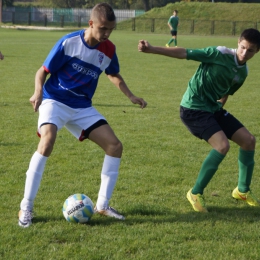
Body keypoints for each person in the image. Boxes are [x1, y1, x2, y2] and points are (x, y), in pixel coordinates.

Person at [18, 2, 147, 228]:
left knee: (115, 146)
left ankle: (103, 206)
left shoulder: (108, 49)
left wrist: (131, 96)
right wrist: (37, 92)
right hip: (55, 100)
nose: (107, 33)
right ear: (91, 24)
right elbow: (42, 71)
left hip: (82, 107)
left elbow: (113, 73)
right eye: (103, 28)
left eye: (111, 29)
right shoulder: (69, 43)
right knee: (47, 141)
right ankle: (26, 206)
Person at [138, 28, 260, 213]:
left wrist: (219, 106)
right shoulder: (219, 53)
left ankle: (242, 191)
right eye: (242, 47)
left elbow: (225, 92)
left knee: (249, 141)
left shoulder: (243, 73)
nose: (244, 53)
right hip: (193, 109)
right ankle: (195, 193)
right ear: (238, 43)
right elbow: (185, 53)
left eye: (250, 50)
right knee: (222, 146)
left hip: (213, 109)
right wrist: (152, 49)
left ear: (257, 51)